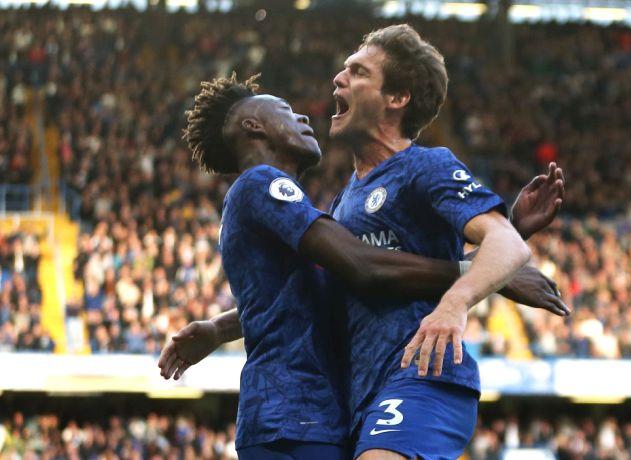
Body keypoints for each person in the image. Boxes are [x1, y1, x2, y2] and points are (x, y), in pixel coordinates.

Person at [158, 74, 566, 459]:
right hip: (294, 415)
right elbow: (362, 266)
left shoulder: (291, 212)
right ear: (254, 127)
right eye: (284, 109)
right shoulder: (260, 183)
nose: (302, 116)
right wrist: (486, 277)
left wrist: (506, 237)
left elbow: (301, 296)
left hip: (308, 418)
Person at [328, 24, 566, 459]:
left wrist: (454, 304)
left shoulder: (425, 166)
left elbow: (508, 246)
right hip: (361, 393)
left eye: (358, 71)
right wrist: (217, 328)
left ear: (396, 98)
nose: (339, 79)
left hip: (425, 374)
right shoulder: (344, 200)